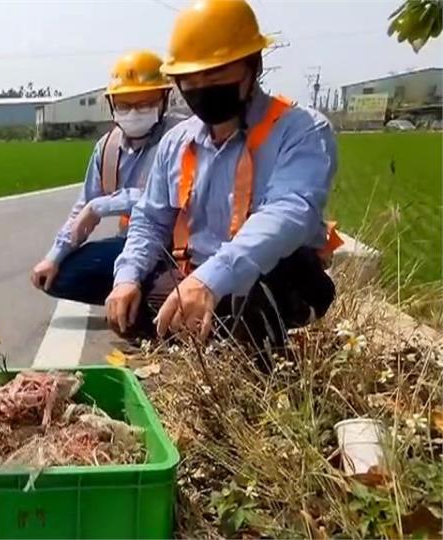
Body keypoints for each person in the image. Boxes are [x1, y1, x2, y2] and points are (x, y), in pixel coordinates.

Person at [104, 0, 342, 359]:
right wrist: (127, 278)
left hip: (271, 271)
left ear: (253, 66)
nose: (203, 88)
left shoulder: (300, 129)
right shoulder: (177, 142)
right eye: (191, 80)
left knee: (256, 299)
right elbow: (150, 221)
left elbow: (289, 212)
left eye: (216, 77)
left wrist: (212, 279)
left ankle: (252, 353)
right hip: (196, 272)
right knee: (130, 310)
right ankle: (208, 336)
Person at [31, 51, 181, 306]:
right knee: (59, 277)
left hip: (175, 244)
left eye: (144, 104)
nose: (134, 113)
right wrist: (54, 256)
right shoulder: (108, 147)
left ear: (164, 100)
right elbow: (84, 206)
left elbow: (160, 197)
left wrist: (101, 206)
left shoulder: (179, 137)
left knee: (160, 280)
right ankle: (135, 293)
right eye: (124, 105)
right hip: (129, 242)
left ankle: (149, 294)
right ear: (112, 105)